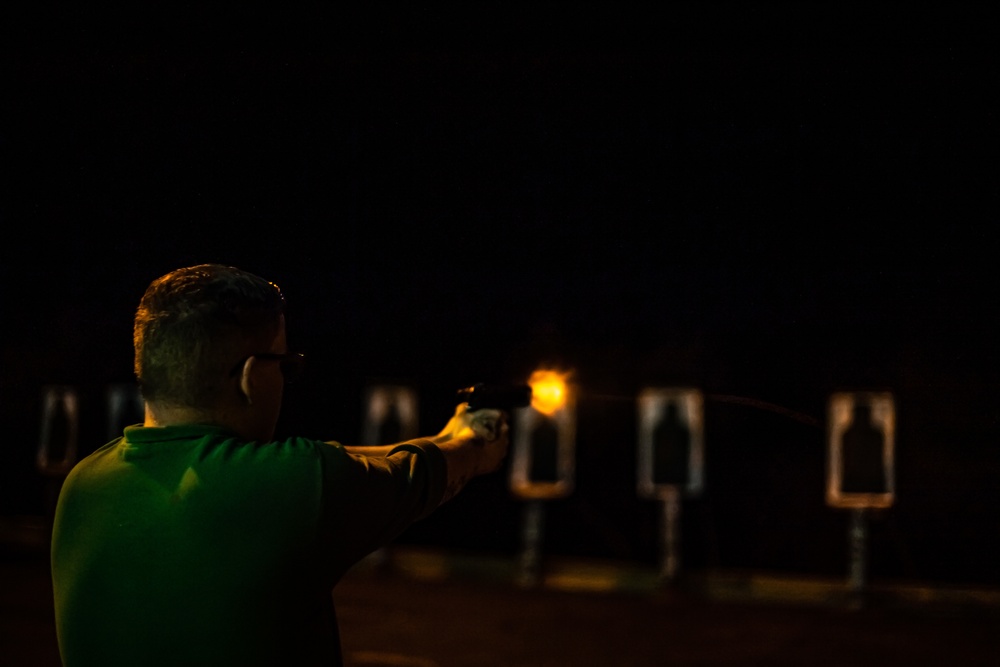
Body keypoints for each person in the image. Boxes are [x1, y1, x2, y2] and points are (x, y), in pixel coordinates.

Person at [50, 264, 509, 666]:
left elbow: (338, 462)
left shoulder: (85, 482)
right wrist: (472, 441)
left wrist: (446, 433)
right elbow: (419, 473)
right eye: (286, 365)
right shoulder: (298, 483)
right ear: (250, 377)